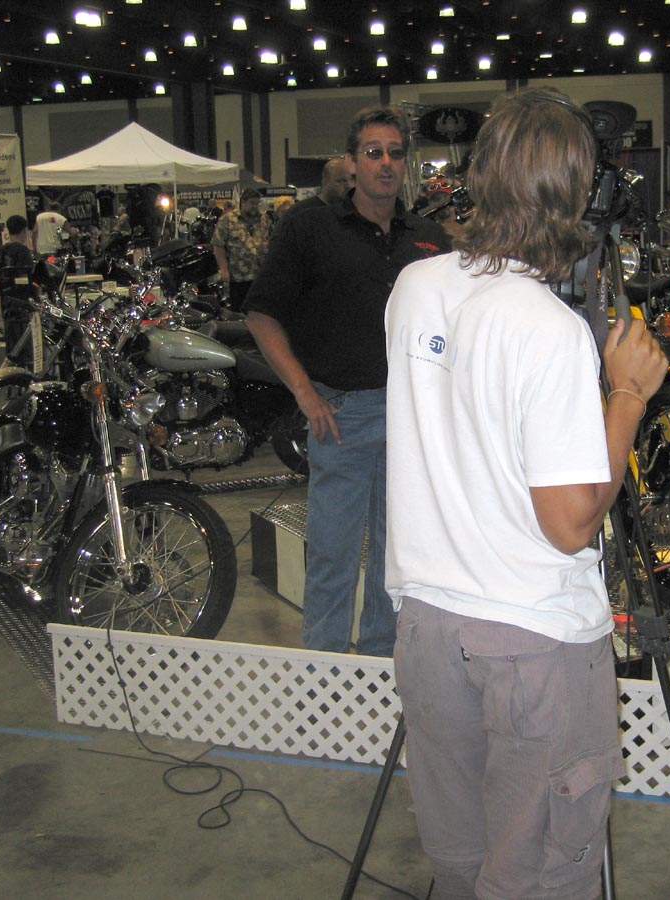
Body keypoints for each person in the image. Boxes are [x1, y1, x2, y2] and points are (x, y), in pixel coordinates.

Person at [385, 87, 669, 900]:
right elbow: (570, 524)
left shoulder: (415, 286)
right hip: (530, 642)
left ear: (481, 174)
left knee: (462, 861)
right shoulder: (545, 327)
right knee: (539, 874)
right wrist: (628, 396)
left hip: (429, 628)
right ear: (577, 192)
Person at [244, 105, 451, 657]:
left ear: (407, 163)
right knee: (333, 553)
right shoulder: (309, 229)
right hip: (341, 415)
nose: (386, 163)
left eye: (396, 153)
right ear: (352, 162)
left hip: (410, 418)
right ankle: (325, 671)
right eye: (373, 152)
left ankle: (381, 662)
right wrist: (305, 393)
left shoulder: (429, 238)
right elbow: (261, 314)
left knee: (396, 554)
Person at [212, 188, 270, 312]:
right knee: (239, 312)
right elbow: (218, 244)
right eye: (252, 203)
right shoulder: (227, 220)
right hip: (238, 277)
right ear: (243, 202)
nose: (255, 206)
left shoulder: (264, 219)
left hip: (259, 276)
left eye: (257, 203)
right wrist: (223, 269)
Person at [0, 214, 35, 367]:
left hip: (7, 299)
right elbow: (26, 276)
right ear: (25, 231)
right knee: (25, 338)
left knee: (11, 338)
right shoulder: (23, 251)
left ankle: (13, 365)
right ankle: (27, 365)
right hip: (22, 301)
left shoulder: (3, 250)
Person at [289, 157, 354, 216]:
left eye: (351, 180)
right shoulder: (299, 211)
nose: (349, 186)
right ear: (325, 181)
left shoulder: (353, 212)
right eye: (341, 181)